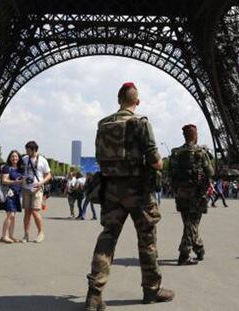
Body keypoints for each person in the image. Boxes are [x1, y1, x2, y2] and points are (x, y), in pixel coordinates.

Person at [85, 82, 174, 310]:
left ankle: (94, 294)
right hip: (138, 191)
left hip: (111, 190)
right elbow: (155, 161)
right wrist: (159, 163)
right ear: (137, 101)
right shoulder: (140, 123)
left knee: (108, 237)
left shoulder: (103, 124)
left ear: (118, 100)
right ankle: (151, 289)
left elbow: (99, 157)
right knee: (147, 239)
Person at [169, 124, 214, 265]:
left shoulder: (175, 152)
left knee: (189, 223)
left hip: (181, 193)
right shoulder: (200, 152)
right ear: (195, 135)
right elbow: (210, 172)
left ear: (184, 136)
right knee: (192, 223)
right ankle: (184, 254)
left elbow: (170, 173)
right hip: (197, 193)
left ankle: (199, 249)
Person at [21, 141, 52, 243]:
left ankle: (40, 233)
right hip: (26, 188)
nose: (26, 151)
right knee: (27, 213)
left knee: (35, 211)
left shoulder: (42, 160)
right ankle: (26, 234)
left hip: (37, 189)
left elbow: (49, 175)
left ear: (34, 150)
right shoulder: (25, 159)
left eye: (28, 150)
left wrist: (41, 182)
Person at [0, 150, 24, 243]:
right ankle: (4, 236)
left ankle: (10, 235)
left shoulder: (20, 169)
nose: (15, 158)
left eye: (16, 156)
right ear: (10, 158)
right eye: (13, 156)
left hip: (16, 194)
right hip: (9, 194)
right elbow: (4, 180)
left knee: (13, 216)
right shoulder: (7, 168)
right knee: (10, 215)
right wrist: (15, 182)